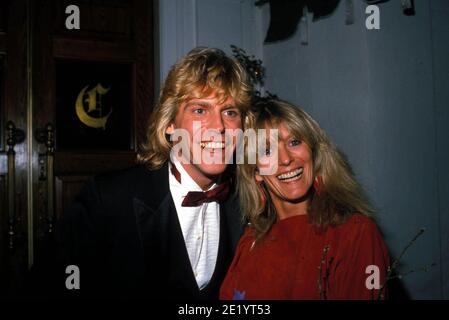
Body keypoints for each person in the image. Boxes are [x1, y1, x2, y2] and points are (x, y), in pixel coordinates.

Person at [55, 47, 253, 299]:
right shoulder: (108, 199)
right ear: (170, 124)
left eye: (230, 112)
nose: (218, 127)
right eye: (200, 110)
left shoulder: (247, 202)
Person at [220, 99, 390, 300]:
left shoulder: (354, 233)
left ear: (314, 153)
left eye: (294, 142)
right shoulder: (250, 241)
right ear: (256, 171)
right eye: (267, 151)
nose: (285, 159)